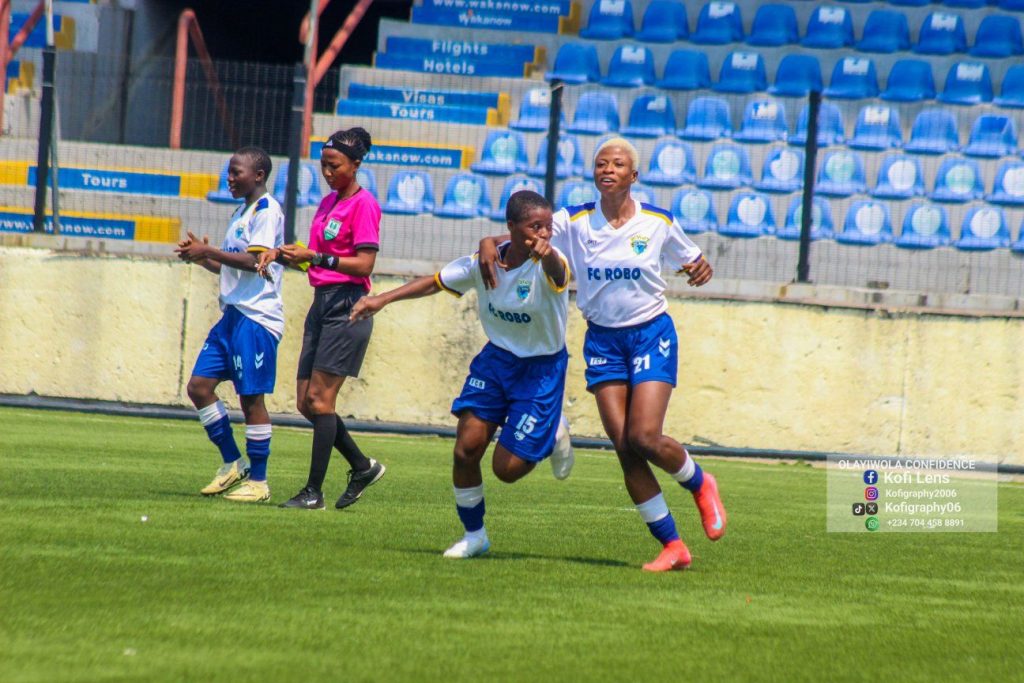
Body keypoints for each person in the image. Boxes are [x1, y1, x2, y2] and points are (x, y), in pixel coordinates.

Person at [478, 138, 726, 572]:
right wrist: (487, 241)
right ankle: (673, 546)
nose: (608, 169)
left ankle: (701, 483)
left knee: (644, 437)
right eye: (600, 163)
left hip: (650, 334)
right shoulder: (574, 220)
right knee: (624, 448)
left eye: (618, 164)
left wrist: (699, 267)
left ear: (634, 175)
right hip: (603, 341)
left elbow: (694, 261)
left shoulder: (658, 222)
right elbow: (522, 233)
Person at [349, 190, 574, 558]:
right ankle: (475, 535)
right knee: (465, 449)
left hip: (541, 369)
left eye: (549, 226)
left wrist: (545, 251)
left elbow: (558, 271)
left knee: (507, 469)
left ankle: (553, 430)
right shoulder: (484, 262)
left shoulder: (551, 261)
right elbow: (435, 281)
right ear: (512, 227)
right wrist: (382, 299)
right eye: (536, 227)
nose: (544, 234)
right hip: (496, 361)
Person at [257, 127, 385, 511]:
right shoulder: (328, 202)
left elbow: (364, 264)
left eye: (335, 166)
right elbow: (315, 259)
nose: (328, 173)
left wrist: (314, 257)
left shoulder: (364, 205)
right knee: (305, 403)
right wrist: (281, 254)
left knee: (320, 399)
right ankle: (362, 467)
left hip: (348, 306)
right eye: (324, 165)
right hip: (322, 304)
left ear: (356, 165)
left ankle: (313, 492)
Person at [174, 146, 284, 503]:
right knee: (198, 387)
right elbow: (232, 267)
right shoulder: (241, 212)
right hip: (233, 316)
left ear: (259, 175)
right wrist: (201, 258)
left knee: (251, 399)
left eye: (237, 172)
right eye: (229, 171)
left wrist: (208, 251)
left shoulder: (267, 210)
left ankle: (260, 482)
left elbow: (255, 262)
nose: (230, 178)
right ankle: (233, 463)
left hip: (256, 318)